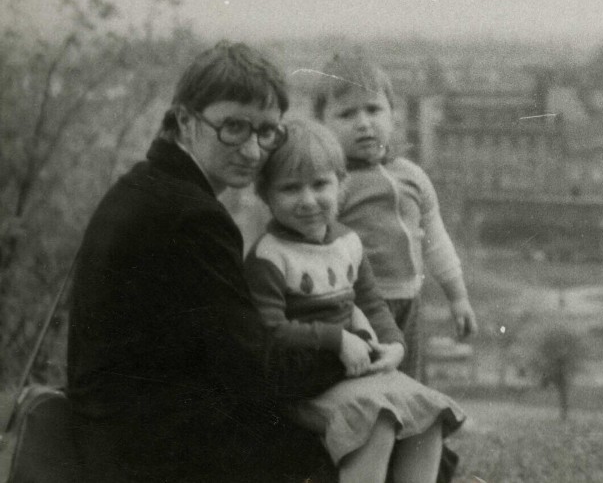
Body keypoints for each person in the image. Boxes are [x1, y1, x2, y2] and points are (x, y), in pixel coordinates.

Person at [67, 41, 378, 482]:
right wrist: (348, 351)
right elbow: (257, 372)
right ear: (185, 121)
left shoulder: (143, 186)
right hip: (151, 458)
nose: (252, 151)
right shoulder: (194, 218)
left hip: (111, 438)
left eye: (266, 130)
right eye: (233, 127)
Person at [244, 118, 465, 483]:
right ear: (265, 194)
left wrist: (394, 344)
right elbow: (269, 331)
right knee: (374, 420)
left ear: (340, 183)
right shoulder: (270, 256)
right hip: (301, 383)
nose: (308, 200)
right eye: (290, 189)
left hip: (348, 374)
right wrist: (336, 338)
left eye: (320, 185)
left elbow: (372, 302)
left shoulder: (347, 242)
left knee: (428, 412)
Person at [314, 53, 479, 379]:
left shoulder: (412, 176)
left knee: (410, 382)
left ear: (393, 116)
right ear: (322, 125)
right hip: (358, 308)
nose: (364, 123)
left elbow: (436, 241)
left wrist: (458, 298)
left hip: (410, 300)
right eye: (347, 114)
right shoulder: (334, 184)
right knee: (368, 385)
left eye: (374, 109)